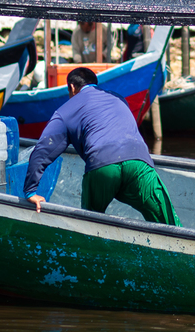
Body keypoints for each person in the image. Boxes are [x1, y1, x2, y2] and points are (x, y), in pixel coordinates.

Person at [22, 66, 180, 225]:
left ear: (71, 87)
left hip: (102, 165)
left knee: (91, 224)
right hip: (139, 162)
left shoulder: (65, 110)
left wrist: (30, 190)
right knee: (168, 223)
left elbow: (43, 149)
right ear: (95, 84)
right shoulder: (118, 99)